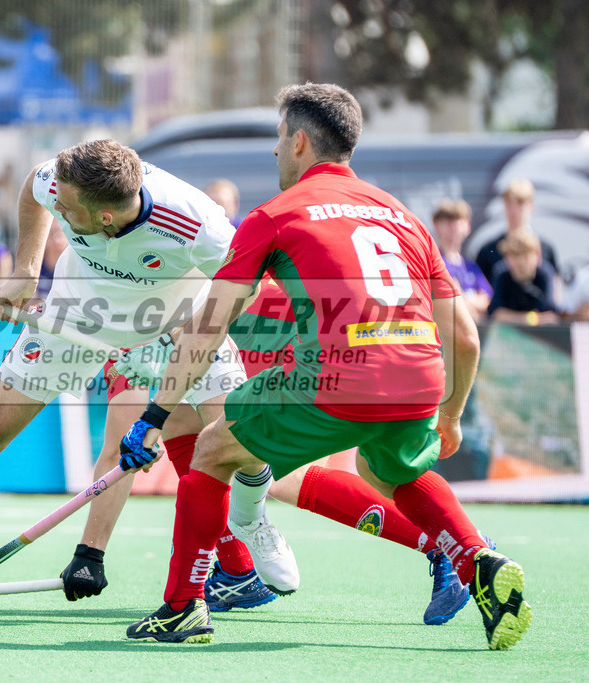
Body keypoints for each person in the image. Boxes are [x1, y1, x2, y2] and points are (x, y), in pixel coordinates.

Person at [120, 83, 530, 650]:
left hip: (340, 375)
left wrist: (156, 412)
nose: (273, 151)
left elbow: (209, 325)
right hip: (419, 376)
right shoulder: (402, 215)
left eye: (279, 137)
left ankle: (184, 606)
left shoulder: (274, 215)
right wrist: (452, 415)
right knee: (391, 471)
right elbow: (463, 334)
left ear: (301, 143)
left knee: (212, 453)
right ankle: (476, 559)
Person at [0, 140, 298, 615]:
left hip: (181, 321)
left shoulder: (198, 225)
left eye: (68, 209)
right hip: (76, 314)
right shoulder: (63, 182)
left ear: (105, 218)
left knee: (234, 437)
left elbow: (247, 284)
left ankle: (251, 521)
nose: (59, 207)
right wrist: (26, 270)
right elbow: (35, 189)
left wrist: (182, 343)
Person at [475, 178, 558, 284]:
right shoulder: (488, 251)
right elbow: (481, 292)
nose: (513, 210)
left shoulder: (545, 249)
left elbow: (555, 288)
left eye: (520, 203)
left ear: (531, 205)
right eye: (509, 203)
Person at [433, 198, 491, 322]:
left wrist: (462, 298)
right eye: (448, 220)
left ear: (468, 226)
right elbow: (448, 304)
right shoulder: (434, 263)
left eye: (459, 220)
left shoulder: (471, 265)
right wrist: (470, 302)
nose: (454, 226)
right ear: (436, 224)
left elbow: (486, 300)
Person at [487, 231, 561, 324]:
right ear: (506, 258)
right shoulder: (501, 274)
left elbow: (550, 316)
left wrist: (516, 318)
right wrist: (530, 319)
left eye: (526, 256)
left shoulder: (545, 274)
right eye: (514, 255)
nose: (520, 262)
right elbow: (496, 314)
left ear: (537, 256)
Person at [34, 218, 69, 299]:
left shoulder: (77, 267)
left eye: (61, 234)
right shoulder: (33, 267)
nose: (56, 240)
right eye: (51, 234)